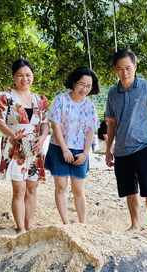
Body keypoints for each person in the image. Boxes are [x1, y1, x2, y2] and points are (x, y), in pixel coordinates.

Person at [105, 49, 147, 234]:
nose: (125, 73)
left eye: (128, 68)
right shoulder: (112, 93)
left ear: (135, 67)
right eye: (120, 69)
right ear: (115, 70)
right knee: (130, 190)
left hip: (144, 147)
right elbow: (112, 123)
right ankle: (135, 224)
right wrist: (109, 149)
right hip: (122, 150)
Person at [0, 59, 49, 233]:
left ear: (32, 76)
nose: (24, 79)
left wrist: (42, 138)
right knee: (19, 189)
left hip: (35, 146)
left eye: (28, 75)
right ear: (13, 77)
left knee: (32, 188)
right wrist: (11, 134)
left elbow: (45, 123)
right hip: (15, 145)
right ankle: (21, 228)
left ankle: (29, 225)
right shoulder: (5, 96)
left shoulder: (40, 99)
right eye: (20, 75)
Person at [45, 67, 100, 224]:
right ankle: (66, 223)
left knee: (79, 190)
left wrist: (85, 153)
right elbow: (55, 126)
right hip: (59, 147)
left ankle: (82, 224)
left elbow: (90, 131)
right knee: (61, 187)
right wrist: (64, 149)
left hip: (80, 150)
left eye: (88, 86)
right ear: (74, 82)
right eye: (81, 84)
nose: (84, 89)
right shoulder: (60, 100)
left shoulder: (89, 106)